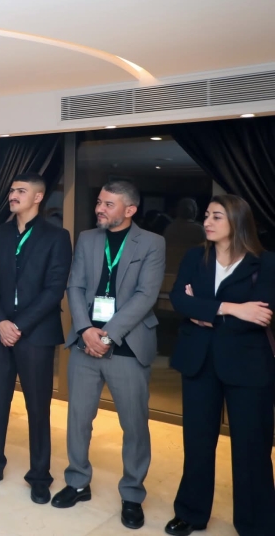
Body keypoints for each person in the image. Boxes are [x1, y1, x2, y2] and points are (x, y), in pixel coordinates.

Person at [51, 181, 165, 531]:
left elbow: (146, 295)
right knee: (78, 419)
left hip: (127, 347)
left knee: (134, 425)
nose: (99, 208)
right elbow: (75, 285)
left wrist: (109, 334)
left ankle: (132, 494)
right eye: (99, 202)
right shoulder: (88, 238)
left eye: (108, 204)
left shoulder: (152, 243)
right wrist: (86, 329)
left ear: (130, 210)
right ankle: (77, 482)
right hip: (85, 344)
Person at [165, 195, 275, 536]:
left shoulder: (265, 262)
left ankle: (257, 524)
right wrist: (230, 308)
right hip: (199, 362)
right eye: (207, 216)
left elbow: (261, 313)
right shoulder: (195, 256)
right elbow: (178, 299)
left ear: (237, 221)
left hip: (248, 365)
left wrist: (204, 310)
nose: (207, 222)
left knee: (252, 447)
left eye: (216, 216)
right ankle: (191, 512)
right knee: (197, 443)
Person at [0, 173, 72, 504]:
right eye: (12, 190)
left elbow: (54, 289)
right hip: (0, 333)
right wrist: (1, 322)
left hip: (36, 335)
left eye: (20, 191)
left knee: (37, 407)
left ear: (38, 197)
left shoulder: (57, 237)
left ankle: (39, 475)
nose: (13, 195)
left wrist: (18, 326)